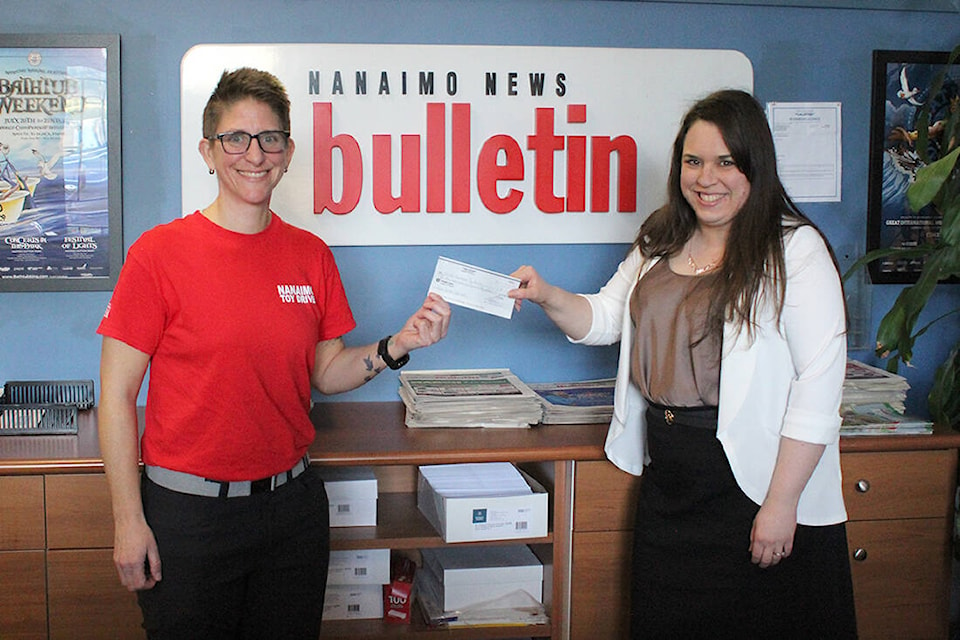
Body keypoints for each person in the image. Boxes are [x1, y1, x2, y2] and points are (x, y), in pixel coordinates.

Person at [96, 67, 451, 640]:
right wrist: (127, 519)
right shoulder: (158, 254)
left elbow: (325, 372)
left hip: (291, 510)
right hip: (188, 516)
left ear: (287, 153)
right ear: (208, 152)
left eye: (270, 139)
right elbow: (115, 396)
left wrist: (397, 346)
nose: (254, 154)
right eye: (236, 138)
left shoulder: (309, 255)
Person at [508, 89, 856, 639]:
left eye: (725, 162)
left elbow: (818, 386)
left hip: (754, 478)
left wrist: (781, 504)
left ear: (754, 167)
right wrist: (547, 293)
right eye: (694, 161)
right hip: (671, 474)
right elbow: (605, 319)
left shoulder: (794, 250)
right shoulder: (662, 236)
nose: (706, 178)